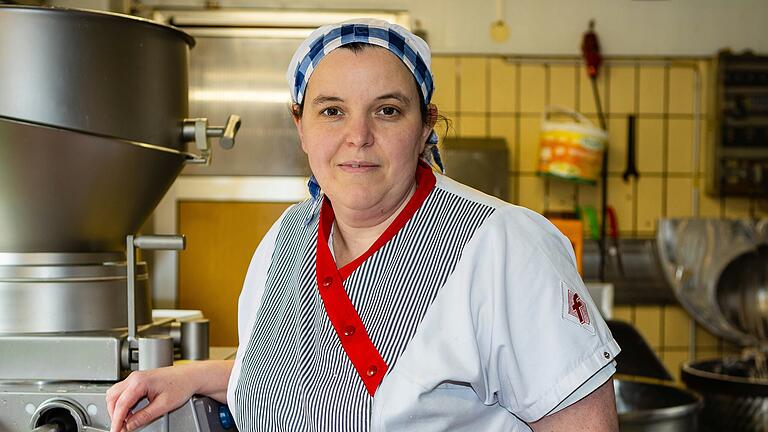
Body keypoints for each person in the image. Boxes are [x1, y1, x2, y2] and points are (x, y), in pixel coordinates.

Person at [106, 18, 621, 432]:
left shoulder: (502, 246)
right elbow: (302, 383)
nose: (358, 136)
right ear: (300, 127)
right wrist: (194, 376)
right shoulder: (285, 242)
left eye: (388, 111)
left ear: (425, 127)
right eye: (332, 111)